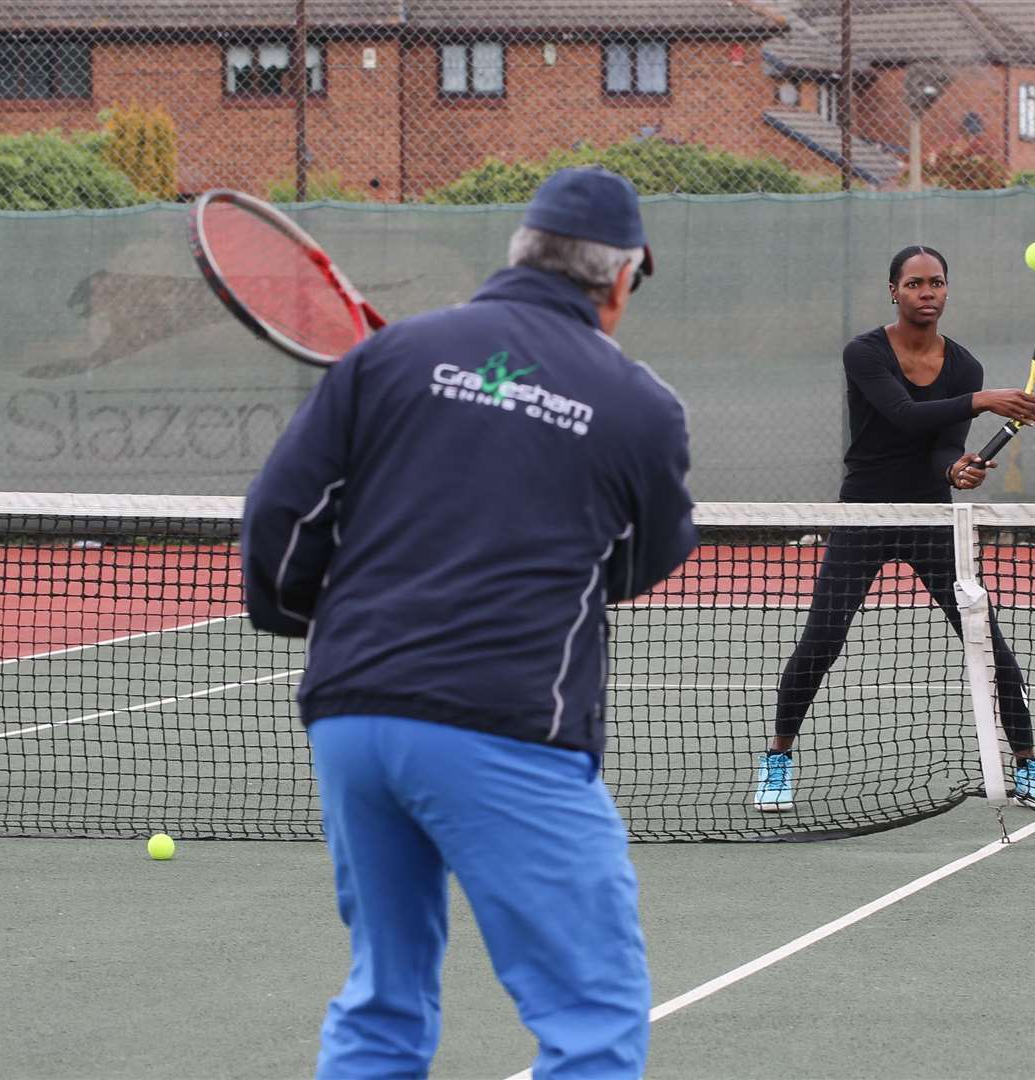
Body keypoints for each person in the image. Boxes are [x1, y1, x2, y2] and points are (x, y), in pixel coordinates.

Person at [241, 167, 695, 1080]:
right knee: (593, 1014)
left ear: (521, 252)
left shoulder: (387, 358)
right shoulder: (640, 405)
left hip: (353, 719)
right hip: (506, 725)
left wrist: (311, 618)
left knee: (384, 1002)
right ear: (620, 278)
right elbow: (640, 564)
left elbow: (277, 528)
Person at [753, 245, 1035, 814]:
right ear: (894, 292)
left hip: (930, 518)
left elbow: (939, 445)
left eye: (938, 283)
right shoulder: (865, 353)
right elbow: (901, 415)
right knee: (822, 639)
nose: (928, 293)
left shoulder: (963, 366)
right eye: (916, 284)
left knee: (988, 644)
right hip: (865, 516)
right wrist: (982, 401)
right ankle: (778, 756)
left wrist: (955, 469)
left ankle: (1029, 765)